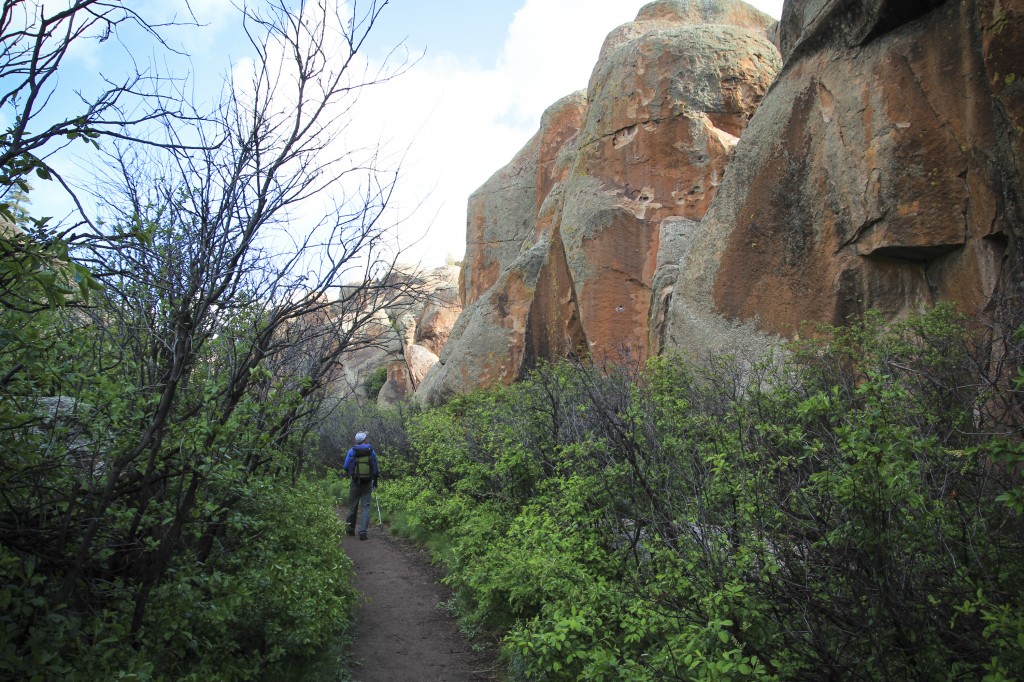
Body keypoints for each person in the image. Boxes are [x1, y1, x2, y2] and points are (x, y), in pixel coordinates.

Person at [343, 431, 379, 540]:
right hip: (367, 483)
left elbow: (345, 466)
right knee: (365, 507)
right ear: (364, 440)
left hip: (355, 482)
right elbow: (375, 470)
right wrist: (375, 482)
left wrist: (354, 473)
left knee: (353, 506)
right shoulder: (371, 452)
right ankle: (362, 532)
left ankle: (350, 530)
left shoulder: (352, 451)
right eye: (366, 438)